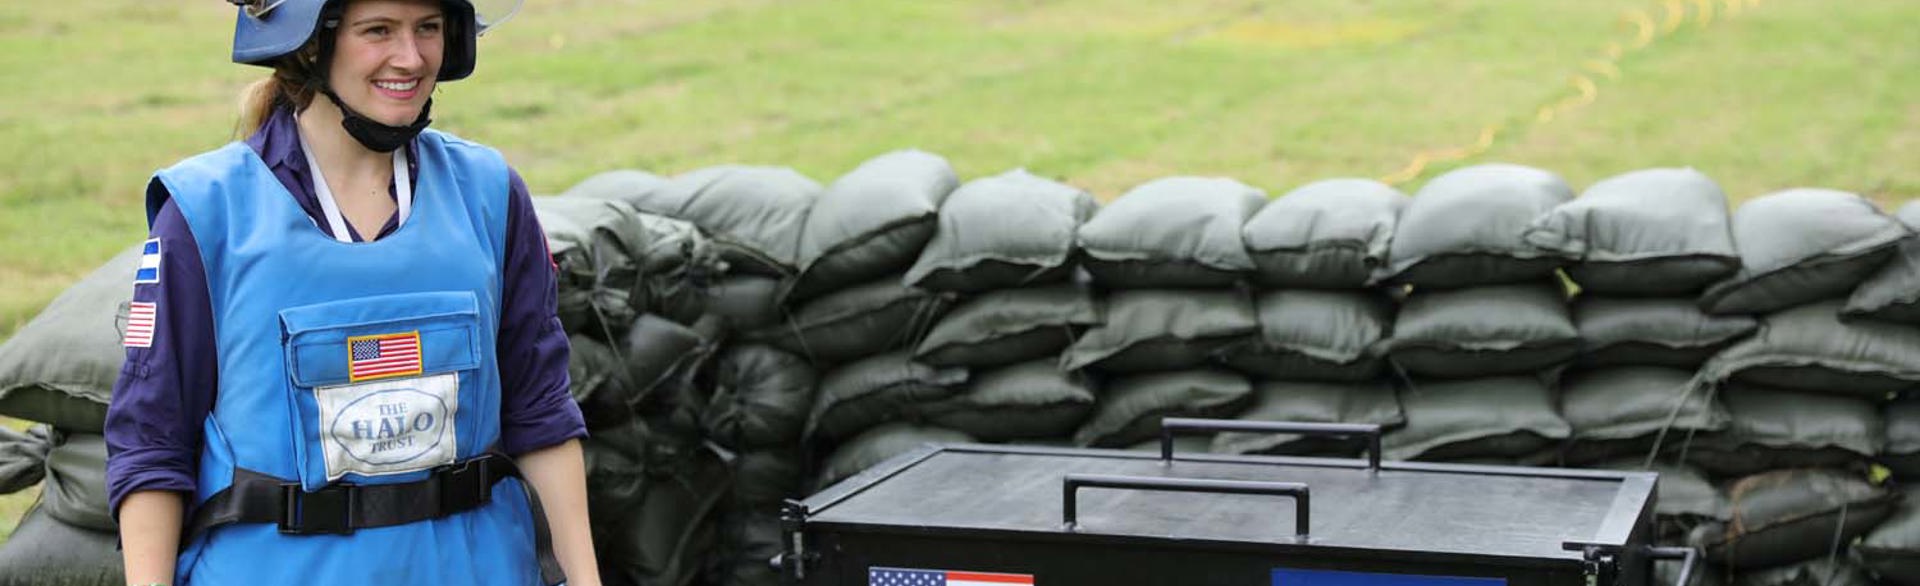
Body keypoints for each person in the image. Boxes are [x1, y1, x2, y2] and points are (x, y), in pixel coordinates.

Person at [103, 0, 600, 584]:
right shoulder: (206, 212)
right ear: (310, 45)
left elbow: (541, 413)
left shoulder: (489, 193)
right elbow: (151, 440)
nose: (411, 57)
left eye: (429, 29)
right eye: (378, 31)